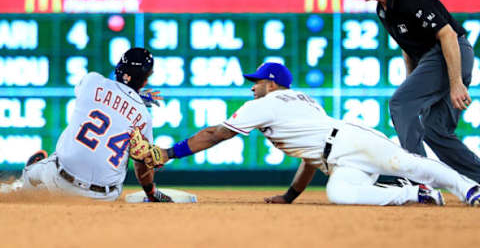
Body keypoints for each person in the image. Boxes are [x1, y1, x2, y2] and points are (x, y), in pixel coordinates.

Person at [141, 62, 480, 206]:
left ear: (272, 83)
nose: (253, 87)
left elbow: (216, 134)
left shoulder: (268, 102)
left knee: (410, 164)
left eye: (256, 81)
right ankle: (415, 196)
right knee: (340, 193)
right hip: (337, 156)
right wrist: (289, 197)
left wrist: (169, 154)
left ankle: (469, 188)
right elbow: (310, 159)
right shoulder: (296, 102)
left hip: (351, 140)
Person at [349, 0, 480, 183]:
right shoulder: (383, 10)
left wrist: (456, 82)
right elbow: (407, 48)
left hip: (450, 53)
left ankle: (420, 182)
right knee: (434, 130)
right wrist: (412, 81)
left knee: (400, 103)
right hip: (436, 59)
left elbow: (448, 34)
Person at [21, 47, 171, 202]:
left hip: (60, 181)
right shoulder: (144, 117)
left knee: (36, 170)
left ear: (118, 67)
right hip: (105, 196)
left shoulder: (91, 81)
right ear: (146, 80)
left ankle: (24, 184)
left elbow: (112, 95)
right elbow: (142, 165)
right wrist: (151, 192)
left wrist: (132, 94)